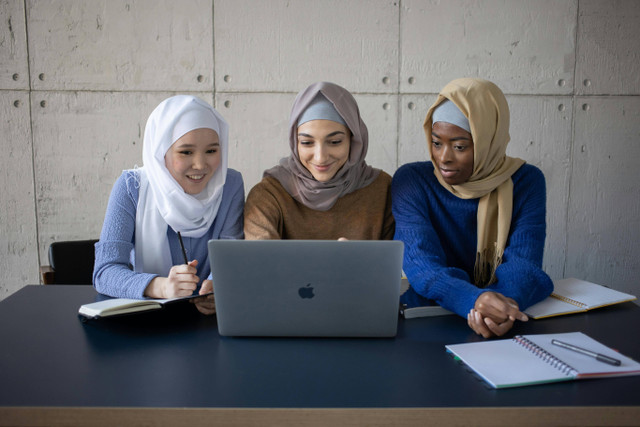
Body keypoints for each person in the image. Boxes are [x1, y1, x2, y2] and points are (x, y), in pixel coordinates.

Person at [392, 78, 553, 338]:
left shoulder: (526, 181)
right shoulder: (412, 180)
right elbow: (421, 264)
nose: (443, 157)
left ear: (489, 140)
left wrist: (504, 307)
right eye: (436, 143)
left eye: (459, 146)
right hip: (429, 321)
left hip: (502, 317)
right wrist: (475, 301)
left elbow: (525, 262)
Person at [93, 95, 244, 315]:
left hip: (209, 324)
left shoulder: (229, 184)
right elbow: (105, 272)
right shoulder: (131, 187)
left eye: (211, 151)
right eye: (186, 152)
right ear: (160, 151)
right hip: (146, 323)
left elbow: (233, 255)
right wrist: (161, 286)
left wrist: (217, 287)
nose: (201, 165)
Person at [244, 81, 394, 240]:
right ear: (295, 143)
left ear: (354, 141)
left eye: (335, 142)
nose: (320, 157)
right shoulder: (270, 194)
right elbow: (261, 262)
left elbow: (396, 261)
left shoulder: (382, 188)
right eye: (307, 143)